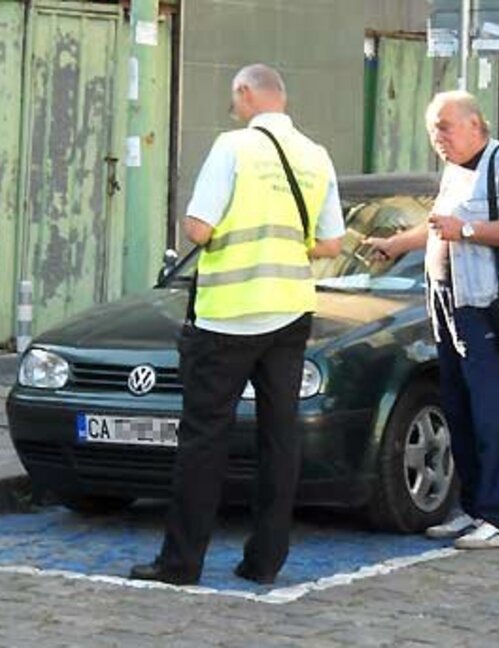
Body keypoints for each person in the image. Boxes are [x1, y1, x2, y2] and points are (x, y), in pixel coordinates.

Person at [129, 64, 344, 585]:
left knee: (204, 438)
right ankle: (265, 560)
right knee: (278, 436)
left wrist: (218, 232)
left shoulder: (232, 148)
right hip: (290, 311)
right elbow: (332, 244)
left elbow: (199, 228)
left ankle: (181, 562)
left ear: (247, 94)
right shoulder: (316, 156)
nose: (233, 105)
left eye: (234, 96)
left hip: (227, 314)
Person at [365, 90, 499, 550]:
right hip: (447, 304)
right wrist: (397, 245)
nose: (437, 137)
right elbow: (436, 226)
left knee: (494, 415)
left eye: (444, 127)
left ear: (474, 124)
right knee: (460, 413)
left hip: (490, 308)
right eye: (431, 129)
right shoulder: (455, 170)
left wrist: (467, 231)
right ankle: (473, 509)